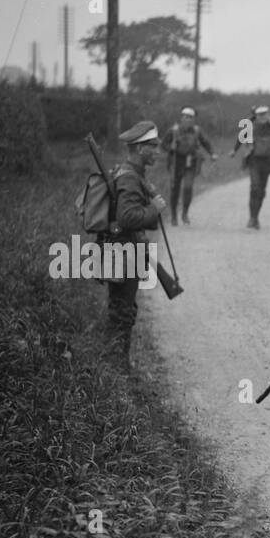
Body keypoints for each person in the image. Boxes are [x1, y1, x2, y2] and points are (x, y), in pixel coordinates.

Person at [101, 120, 167, 364]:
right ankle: (115, 366)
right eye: (153, 146)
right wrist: (154, 208)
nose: (158, 151)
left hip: (125, 250)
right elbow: (127, 217)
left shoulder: (133, 174)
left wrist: (150, 213)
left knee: (123, 309)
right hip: (123, 251)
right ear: (140, 149)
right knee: (122, 312)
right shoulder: (129, 178)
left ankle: (116, 364)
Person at [230, 105, 270, 228]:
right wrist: (234, 150)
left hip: (268, 162)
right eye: (260, 114)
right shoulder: (250, 127)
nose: (263, 116)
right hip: (254, 161)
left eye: (265, 114)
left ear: (268, 114)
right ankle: (252, 218)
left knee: (261, 191)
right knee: (255, 188)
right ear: (256, 116)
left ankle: (256, 218)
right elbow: (240, 139)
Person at [161, 106, 216, 225]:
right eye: (185, 117)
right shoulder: (173, 130)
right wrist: (171, 148)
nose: (187, 119)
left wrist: (212, 153)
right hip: (176, 163)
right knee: (174, 189)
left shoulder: (197, 130)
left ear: (194, 119)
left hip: (191, 163)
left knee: (188, 187)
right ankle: (174, 216)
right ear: (181, 118)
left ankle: (185, 213)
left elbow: (205, 142)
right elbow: (163, 144)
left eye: (190, 117)